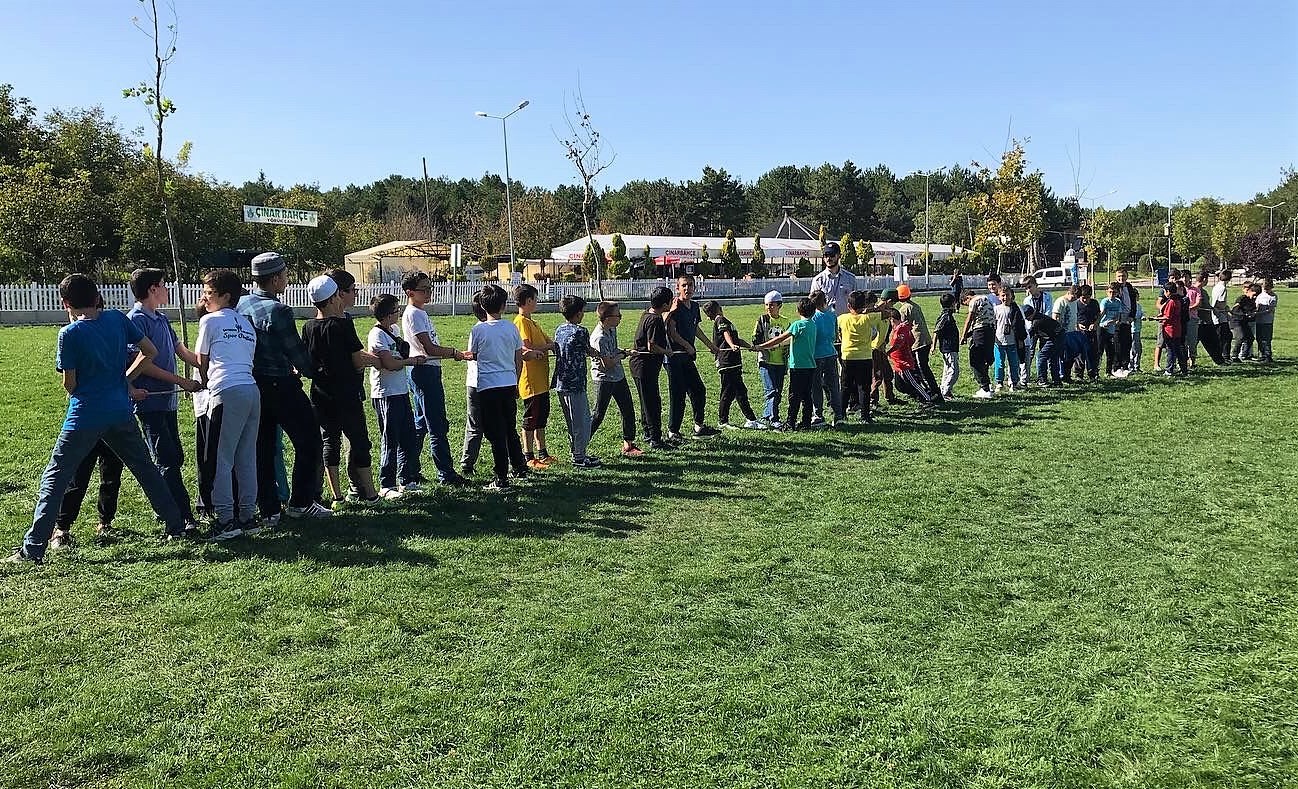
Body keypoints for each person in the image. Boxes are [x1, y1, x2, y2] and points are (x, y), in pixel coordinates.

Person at [8, 275, 187, 564]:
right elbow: (150, 351)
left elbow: (70, 385)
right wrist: (125, 379)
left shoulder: (69, 334)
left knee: (55, 478)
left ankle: (33, 549)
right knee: (145, 469)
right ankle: (176, 525)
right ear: (97, 297)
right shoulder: (116, 319)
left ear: (65, 303)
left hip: (84, 416)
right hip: (120, 411)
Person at [235, 252, 330, 522]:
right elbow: (295, 351)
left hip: (253, 383)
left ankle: (269, 509)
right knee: (309, 441)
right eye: (285, 274)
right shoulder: (279, 311)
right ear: (276, 279)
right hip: (281, 383)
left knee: (263, 448)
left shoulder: (241, 304)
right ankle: (301, 502)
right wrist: (315, 371)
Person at [125, 267, 203, 530]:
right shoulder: (136, 320)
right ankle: (180, 517)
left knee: (174, 456)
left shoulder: (160, 319)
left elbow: (182, 352)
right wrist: (182, 381)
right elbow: (142, 364)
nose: (167, 289)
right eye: (163, 284)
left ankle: (173, 512)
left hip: (168, 402)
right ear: (152, 289)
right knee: (166, 460)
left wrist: (211, 362)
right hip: (150, 403)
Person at [303, 271, 382, 508]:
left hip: (321, 393)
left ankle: (336, 497)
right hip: (346, 392)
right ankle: (370, 494)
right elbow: (357, 359)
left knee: (330, 441)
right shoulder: (342, 325)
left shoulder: (308, 326)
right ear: (332, 298)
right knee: (359, 441)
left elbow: (307, 361)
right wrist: (374, 362)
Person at [194, 269, 261, 539]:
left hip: (226, 391)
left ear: (226, 296)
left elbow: (201, 359)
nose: (205, 298)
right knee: (246, 457)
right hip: (251, 391)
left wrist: (201, 381)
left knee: (221, 458)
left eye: (209, 293)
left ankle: (225, 520)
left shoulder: (209, 320)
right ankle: (247, 515)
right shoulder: (246, 324)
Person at [401, 270, 471, 488]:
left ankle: (410, 471)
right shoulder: (414, 314)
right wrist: (454, 353)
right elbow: (429, 348)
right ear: (410, 292)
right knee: (436, 425)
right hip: (425, 372)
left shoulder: (419, 312)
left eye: (429, 288)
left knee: (421, 423)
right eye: (424, 289)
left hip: (425, 370)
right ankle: (445, 473)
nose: (429, 292)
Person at [467, 285, 531, 489]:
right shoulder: (511, 328)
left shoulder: (478, 330)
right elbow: (518, 358)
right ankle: (519, 466)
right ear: (504, 306)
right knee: (510, 428)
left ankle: (501, 476)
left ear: (482, 306)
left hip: (487, 386)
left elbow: (473, 354)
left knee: (496, 434)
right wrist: (516, 380)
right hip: (508, 383)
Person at [367, 293, 426, 498]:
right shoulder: (377, 335)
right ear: (386, 314)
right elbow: (389, 364)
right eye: (395, 310)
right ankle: (387, 484)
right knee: (390, 438)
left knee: (407, 437)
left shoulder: (395, 330)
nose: (398, 313)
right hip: (385, 393)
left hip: (401, 390)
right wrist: (411, 361)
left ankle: (406, 479)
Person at [665, 275, 720, 441]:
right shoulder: (674, 305)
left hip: (687, 356)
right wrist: (687, 345)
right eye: (684, 285)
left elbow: (695, 328)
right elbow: (671, 332)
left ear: (694, 288)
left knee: (698, 390)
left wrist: (710, 345)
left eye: (690, 285)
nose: (687, 288)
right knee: (678, 394)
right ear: (677, 288)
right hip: (674, 357)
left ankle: (699, 427)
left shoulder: (695, 307)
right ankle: (673, 431)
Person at [553, 294, 604, 468]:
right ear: (577, 313)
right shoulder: (580, 331)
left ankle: (577, 451)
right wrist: (596, 353)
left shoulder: (560, 329)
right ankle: (579, 457)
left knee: (571, 421)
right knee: (582, 422)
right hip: (575, 382)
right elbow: (588, 349)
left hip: (561, 381)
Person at [753, 297, 817, 430]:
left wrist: (762, 346)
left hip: (797, 366)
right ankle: (806, 423)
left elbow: (779, 339)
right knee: (807, 395)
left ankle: (790, 423)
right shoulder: (813, 325)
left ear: (798, 311)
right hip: (810, 365)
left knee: (794, 396)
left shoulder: (797, 325)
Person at [589, 300, 643, 457]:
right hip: (604, 379)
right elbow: (608, 364)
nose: (620, 317)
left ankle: (628, 445)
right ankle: (580, 445)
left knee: (628, 410)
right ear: (607, 318)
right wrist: (624, 354)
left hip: (618, 376)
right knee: (598, 415)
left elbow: (613, 350)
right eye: (618, 315)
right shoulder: (599, 338)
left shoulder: (612, 329)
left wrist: (626, 351)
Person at [702, 300, 765, 430]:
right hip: (727, 362)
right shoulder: (721, 320)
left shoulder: (723, 321)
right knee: (733, 392)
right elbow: (726, 334)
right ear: (719, 309)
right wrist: (731, 345)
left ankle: (746, 419)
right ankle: (733, 421)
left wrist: (750, 347)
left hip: (733, 362)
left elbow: (736, 339)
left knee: (734, 392)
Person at [512, 284, 556, 469]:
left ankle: (542, 452)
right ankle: (528, 455)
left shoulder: (533, 322)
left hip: (541, 381)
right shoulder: (521, 322)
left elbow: (548, 341)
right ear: (528, 301)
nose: (537, 302)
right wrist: (548, 347)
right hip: (531, 381)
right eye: (535, 299)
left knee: (541, 418)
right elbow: (526, 347)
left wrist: (551, 345)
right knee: (530, 419)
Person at [630, 286, 673, 450]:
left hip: (640, 367)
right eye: (670, 301)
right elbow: (652, 346)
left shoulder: (647, 314)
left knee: (646, 402)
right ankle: (655, 439)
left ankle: (648, 434)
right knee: (652, 403)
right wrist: (667, 351)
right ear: (665, 304)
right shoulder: (655, 320)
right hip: (644, 367)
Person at [894, 283, 942, 403]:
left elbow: (901, 327)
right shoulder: (914, 305)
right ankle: (930, 390)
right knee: (923, 367)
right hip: (925, 339)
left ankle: (931, 391)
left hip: (918, 342)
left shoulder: (904, 309)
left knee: (922, 368)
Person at [883, 307, 938, 409]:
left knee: (913, 382)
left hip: (903, 363)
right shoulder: (903, 327)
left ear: (892, 319)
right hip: (898, 363)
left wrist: (888, 352)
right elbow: (911, 340)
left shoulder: (900, 329)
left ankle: (927, 398)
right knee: (900, 385)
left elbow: (898, 344)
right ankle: (920, 395)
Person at [838, 290, 879, 421]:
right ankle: (865, 416)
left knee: (845, 387)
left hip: (848, 356)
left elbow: (837, 330)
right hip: (865, 357)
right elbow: (885, 313)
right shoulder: (868, 318)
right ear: (864, 305)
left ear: (848, 306)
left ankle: (841, 414)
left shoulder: (842, 318)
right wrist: (870, 310)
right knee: (864, 388)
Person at [751, 290, 789, 428]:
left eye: (772, 305)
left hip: (780, 362)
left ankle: (767, 415)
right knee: (771, 390)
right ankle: (774, 419)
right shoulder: (762, 320)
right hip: (766, 361)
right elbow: (755, 338)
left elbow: (789, 339)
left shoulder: (786, 321)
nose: (769, 307)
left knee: (777, 391)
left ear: (780, 305)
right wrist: (761, 346)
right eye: (766, 304)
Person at [809, 290, 841, 427]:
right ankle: (838, 415)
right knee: (834, 386)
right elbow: (835, 335)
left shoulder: (813, 318)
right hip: (831, 353)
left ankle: (818, 415)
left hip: (816, 355)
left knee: (816, 387)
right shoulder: (832, 315)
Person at [960, 289, 997, 398]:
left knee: (975, 360)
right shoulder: (986, 299)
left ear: (967, 298)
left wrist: (963, 335)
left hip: (980, 332)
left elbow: (969, 319)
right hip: (991, 331)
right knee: (985, 359)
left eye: (965, 304)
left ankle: (985, 387)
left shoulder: (974, 301)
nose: (967, 306)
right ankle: (988, 385)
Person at [1020, 275, 1053, 384]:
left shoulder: (1048, 297)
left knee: (1043, 353)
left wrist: (1040, 321)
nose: (1028, 290)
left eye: (1030, 287)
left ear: (1036, 285)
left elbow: (1048, 313)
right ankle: (1025, 377)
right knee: (1029, 352)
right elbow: (1027, 317)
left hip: (1044, 328)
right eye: (1026, 288)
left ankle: (1042, 376)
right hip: (1032, 329)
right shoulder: (1027, 300)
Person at [810, 240, 857, 315]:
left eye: (832, 255)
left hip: (845, 320)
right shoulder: (818, 280)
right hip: (825, 321)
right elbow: (813, 304)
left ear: (839, 256)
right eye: (826, 255)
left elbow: (856, 303)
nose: (828, 258)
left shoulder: (850, 278)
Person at [1021, 305, 1063, 386]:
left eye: (1027, 317)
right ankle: (1057, 381)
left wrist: (1021, 338)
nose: (1026, 319)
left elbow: (1030, 334)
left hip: (1055, 337)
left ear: (1032, 314)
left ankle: (1042, 380)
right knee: (1053, 358)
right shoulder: (1039, 316)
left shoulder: (1037, 321)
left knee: (1041, 356)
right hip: (1059, 335)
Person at [992, 287, 1023, 391]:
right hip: (999, 341)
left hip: (1012, 341)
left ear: (1011, 296)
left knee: (1014, 363)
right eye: (1003, 295)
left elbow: (1020, 325)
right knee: (1000, 363)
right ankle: (999, 382)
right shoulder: (996, 309)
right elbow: (994, 324)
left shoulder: (1015, 309)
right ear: (999, 297)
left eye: (1007, 295)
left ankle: (1014, 382)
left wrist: (1020, 339)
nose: (1005, 298)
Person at [931, 292, 961, 399]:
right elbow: (937, 330)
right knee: (954, 371)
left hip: (950, 347)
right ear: (953, 304)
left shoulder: (947, 315)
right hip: (948, 347)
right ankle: (945, 391)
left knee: (947, 369)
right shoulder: (946, 316)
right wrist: (933, 345)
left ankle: (944, 389)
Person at [1156, 281, 1188, 377]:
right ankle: (1184, 369)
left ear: (1168, 292)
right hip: (1177, 329)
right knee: (1178, 350)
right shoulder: (1178, 300)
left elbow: (1168, 317)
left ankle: (1169, 370)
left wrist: (1157, 318)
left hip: (1170, 330)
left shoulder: (1170, 302)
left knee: (1170, 350)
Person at [1111, 266, 1139, 373]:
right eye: (1119, 276)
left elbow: (1133, 303)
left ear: (1126, 277)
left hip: (1127, 318)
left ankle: (1125, 365)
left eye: (1123, 276)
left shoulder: (1130, 288)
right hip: (1117, 319)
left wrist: (1132, 316)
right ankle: (1116, 366)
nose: (1121, 278)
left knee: (1127, 343)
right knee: (1117, 343)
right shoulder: (1114, 288)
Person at [1195, 271, 1227, 365]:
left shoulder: (1203, 291)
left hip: (1208, 321)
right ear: (1204, 279)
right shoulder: (1195, 290)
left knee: (1214, 341)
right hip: (1200, 322)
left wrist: (1213, 309)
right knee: (1209, 342)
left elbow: (1207, 305)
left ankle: (1219, 361)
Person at [1075, 284, 1101, 380]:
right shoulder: (1076, 304)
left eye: (1087, 298)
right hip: (1080, 332)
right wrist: (1078, 324)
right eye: (1083, 298)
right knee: (1080, 354)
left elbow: (1099, 315)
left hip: (1092, 332)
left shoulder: (1094, 303)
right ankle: (1079, 374)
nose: (1085, 300)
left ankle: (1093, 373)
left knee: (1092, 353)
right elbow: (1073, 316)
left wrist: (1095, 324)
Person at [1229, 284, 1258, 361]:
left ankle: (1245, 355)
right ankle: (1234, 356)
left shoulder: (1252, 301)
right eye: (1254, 295)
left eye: (1257, 296)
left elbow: (1252, 310)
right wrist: (1243, 314)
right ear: (1250, 291)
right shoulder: (1242, 298)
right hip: (1236, 321)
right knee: (1240, 337)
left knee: (1250, 338)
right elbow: (1234, 310)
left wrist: (1252, 314)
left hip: (1244, 322)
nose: (1255, 297)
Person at [1209, 269, 1232, 363]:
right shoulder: (1223, 288)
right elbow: (1220, 302)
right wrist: (1226, 309)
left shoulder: (1216, 286)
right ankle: (1224, 356)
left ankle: (1222, 356)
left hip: (1217, 314)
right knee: (1225, 337)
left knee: (1222, 336)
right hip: (1220, 316)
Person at [1255, 277, 1277, 363]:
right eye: (1265, 289)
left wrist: (1259, 313)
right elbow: (1256, 306)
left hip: (1267, 321)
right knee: (1259, 338)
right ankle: (1262, 354)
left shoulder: (1273, 297)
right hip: (1258, 320)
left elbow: (1270, 310)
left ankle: (1268, 355)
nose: (1266, 291)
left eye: (1268, 289)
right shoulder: (1260, 295)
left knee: (1266, 339)